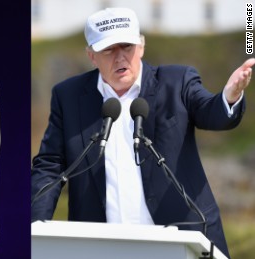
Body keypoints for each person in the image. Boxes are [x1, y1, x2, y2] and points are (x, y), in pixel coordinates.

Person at [31, 7, 254, 258]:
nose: (120, 58)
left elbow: (212, 113)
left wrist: (230, 96)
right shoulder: (68, 96)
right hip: (100, 247)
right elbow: (49, 165)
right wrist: (34, 231)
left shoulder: (176, 81)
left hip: (182, 241)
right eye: (108, 49)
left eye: (126, 46)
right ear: (91, 56)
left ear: (142, 46)